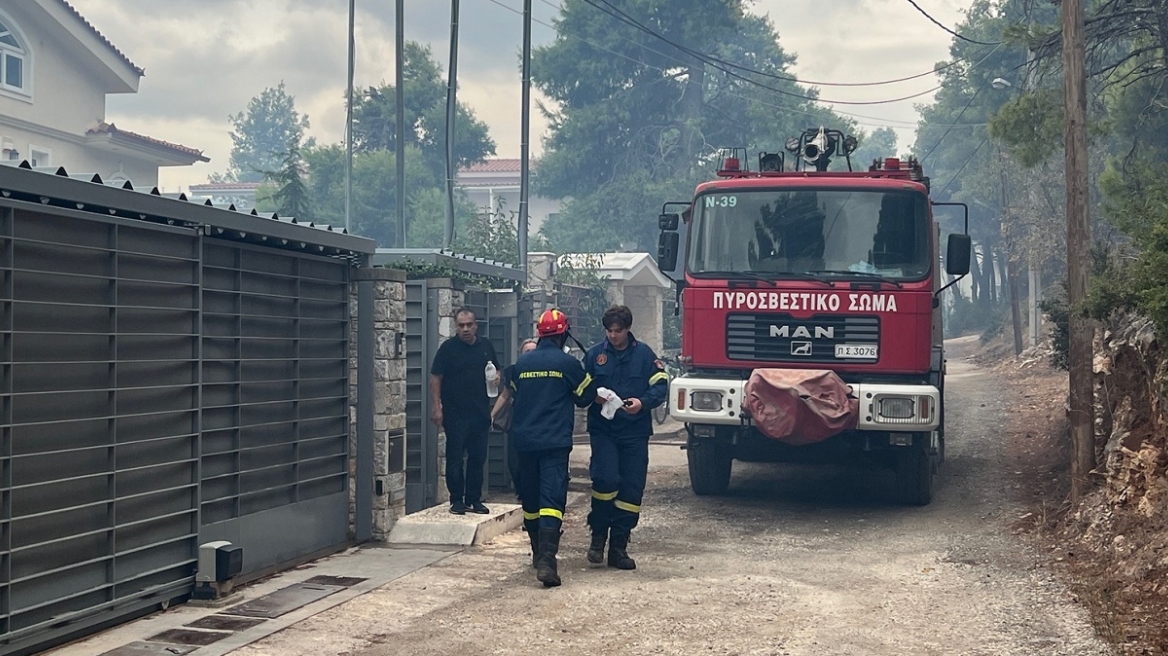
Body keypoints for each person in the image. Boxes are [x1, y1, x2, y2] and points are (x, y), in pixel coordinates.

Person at [509, 309, 598, 587]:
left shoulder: (522, 364)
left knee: (531, 500)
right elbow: (585, 397)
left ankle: (537, 553)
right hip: (554, 443)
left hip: (524, 442)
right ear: (563, 334)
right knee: (552, 499)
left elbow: (513, 390)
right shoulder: (568, 364)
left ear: (540, 333)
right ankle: (548, 560)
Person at [583, 305, 669, 570]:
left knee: (631, 489)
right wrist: (593, 395)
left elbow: (661, 383)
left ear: (627, 329)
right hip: (604, 431)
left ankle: (618, 547)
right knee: (606, 480)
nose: (612, 336)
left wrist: (643, 403)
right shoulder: (595, 355)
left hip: (634, 432)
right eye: (609, 331)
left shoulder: (643, 355)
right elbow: (580, 387)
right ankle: (598, 538)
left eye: (617, 331)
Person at [429, 307, 500, 515]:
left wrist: (497, 377)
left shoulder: (486, 346)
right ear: (456, 327)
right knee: (455, 458)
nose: (465, 329)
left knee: (478, 458)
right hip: (455, 413)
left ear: (476, 325)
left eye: (469, 325)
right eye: (461, 326)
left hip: (480, 412)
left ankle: (474, 499)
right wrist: (436, 407)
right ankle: (456, 500)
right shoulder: (448, 348)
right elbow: (436, 378)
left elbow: (497, 369)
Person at [491, 338, 539, 499]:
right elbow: (505, 395)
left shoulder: (546, 371)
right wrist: (491, 415)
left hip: (540, 421)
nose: (531, 354)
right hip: (519, 421)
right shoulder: (514, 371)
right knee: (514, 461)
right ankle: (522, 491)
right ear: (520, 355)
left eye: (534, 351)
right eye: (527, 351)